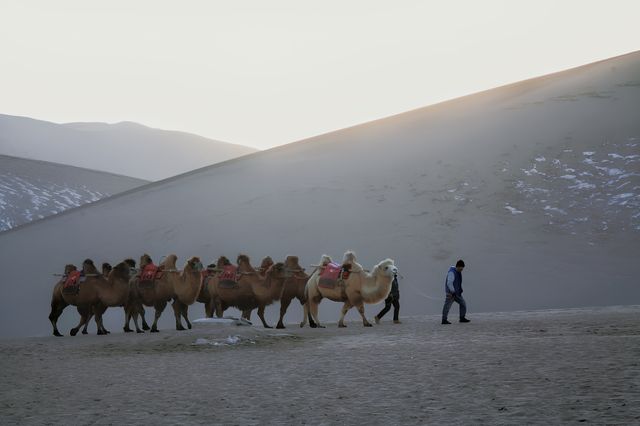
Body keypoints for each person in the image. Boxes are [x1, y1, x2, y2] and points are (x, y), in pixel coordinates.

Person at [441, 259, 470, 324]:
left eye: (462, 269)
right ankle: (444, 320)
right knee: (447, 307)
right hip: (451, 294)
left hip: (457, 293)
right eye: (460, 269)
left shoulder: (458, 271)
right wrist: (452, 291)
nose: (461, 270)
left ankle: (462, 318)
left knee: (463, 304)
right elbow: (449, 283)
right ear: (457, 266)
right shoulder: (452, 273)